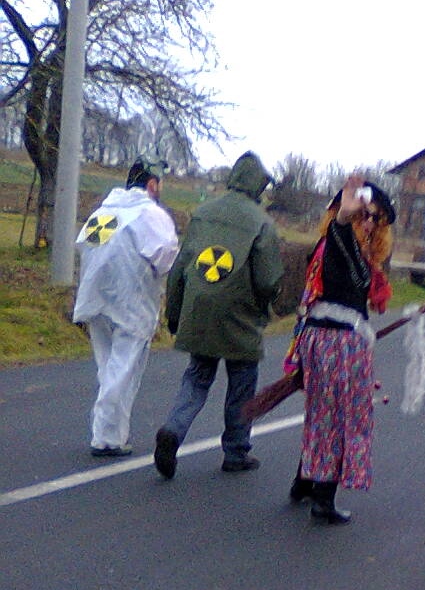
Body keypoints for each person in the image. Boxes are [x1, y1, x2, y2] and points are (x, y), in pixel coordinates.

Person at [154, 151, 284, 479]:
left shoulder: (203, 214)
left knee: (197, 377)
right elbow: (268, 280)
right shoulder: (262, 223)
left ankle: (173, 430)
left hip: (200, 310)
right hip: (240, 317)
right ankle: (236, 452)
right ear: (258, 185)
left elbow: (180, 268)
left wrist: (174, 314)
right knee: (242, 383)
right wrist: (267, 306)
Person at [283, 175, 396, 525]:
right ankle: (323, 498)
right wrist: (345, 218)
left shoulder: (356, 253)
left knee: (324, 413)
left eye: (375, 217)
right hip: (338, 344)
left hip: (331, 340)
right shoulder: (337, 242)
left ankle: (305, 481)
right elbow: (341, 238)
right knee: (343, 419)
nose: (369, 223)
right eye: (363, 215)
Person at [73, 153, 179, 457]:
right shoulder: (150, 214)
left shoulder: (103, 211)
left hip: (96, 296)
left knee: (108, 366)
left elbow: (84, 247)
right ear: (151, 184)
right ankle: (107, 438)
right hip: (130, 300)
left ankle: (110, 433)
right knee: (123, 368)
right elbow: (165, 254)